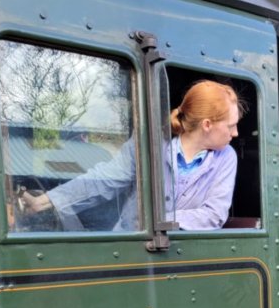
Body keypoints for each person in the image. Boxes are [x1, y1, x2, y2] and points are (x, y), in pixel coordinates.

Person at [21, 80, 242, 231]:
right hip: (134, 249)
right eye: (231, 125)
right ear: (207, 125)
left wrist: (157, 220)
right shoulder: (149, 143)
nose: (236, 133)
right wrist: (48, 200)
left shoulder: (226, 157)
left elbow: (213, 215)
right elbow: (104, 180)